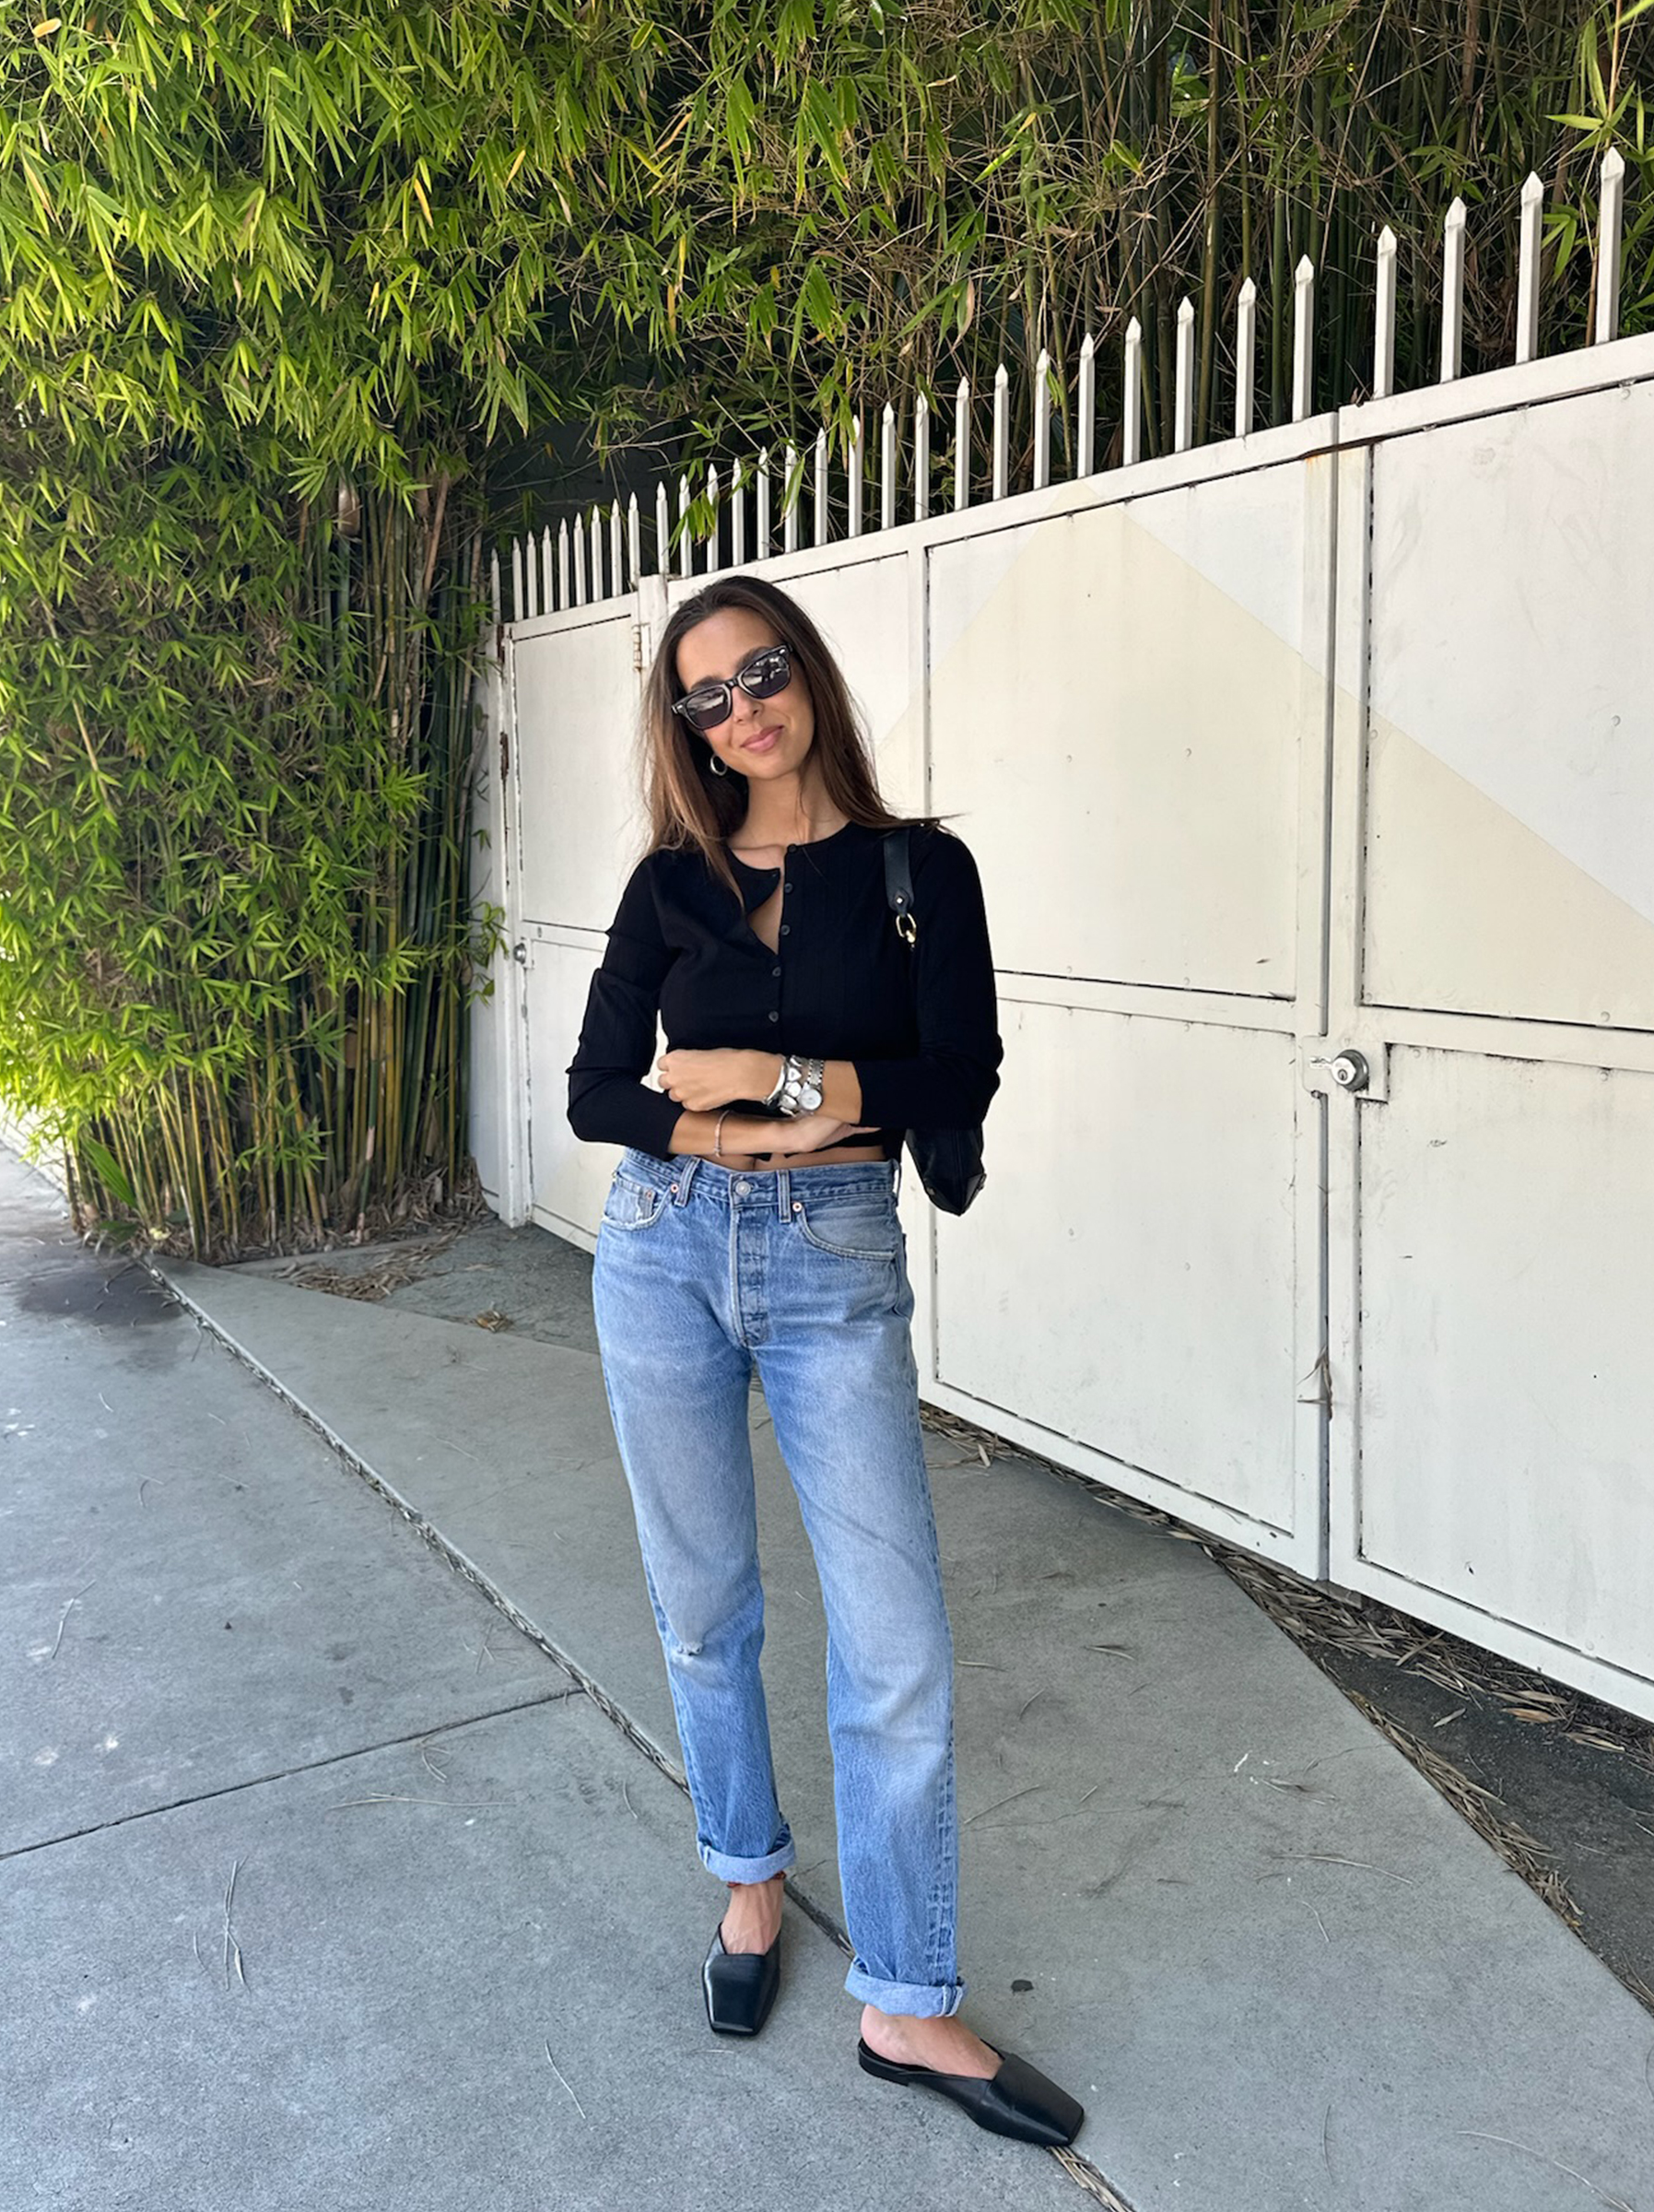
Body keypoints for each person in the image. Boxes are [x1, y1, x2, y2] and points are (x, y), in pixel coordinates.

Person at [566, 573, 1083, 2149]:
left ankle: (906, 2001)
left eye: (762, 670)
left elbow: (959, 1071)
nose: (742, 710)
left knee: (895, 1637)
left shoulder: (925, 871)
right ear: (688, 730)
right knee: (704, 1601)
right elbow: (603, 1090)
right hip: (661, 1243)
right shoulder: (673, 883)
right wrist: (721, 1117)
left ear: (811, 670)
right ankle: (748, 1883)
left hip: (832, 1257)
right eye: (704, 698)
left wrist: (780, 1071)